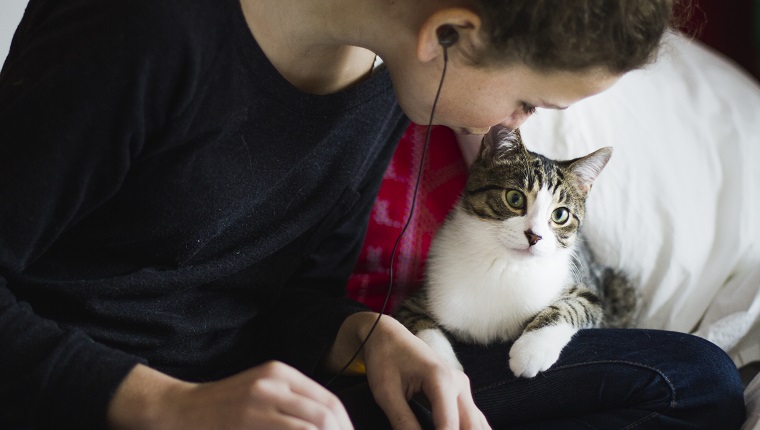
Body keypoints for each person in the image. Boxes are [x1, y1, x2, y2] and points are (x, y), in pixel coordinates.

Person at [0, 0, 745, 428]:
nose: (522, 123)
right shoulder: (144, 32)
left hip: (273, 407)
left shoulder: (387, 84)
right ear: (448, 32)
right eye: (528, 103)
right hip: (103, 400)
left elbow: (281, 300)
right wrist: (171, 407)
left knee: (691, 380)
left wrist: (368, 337)